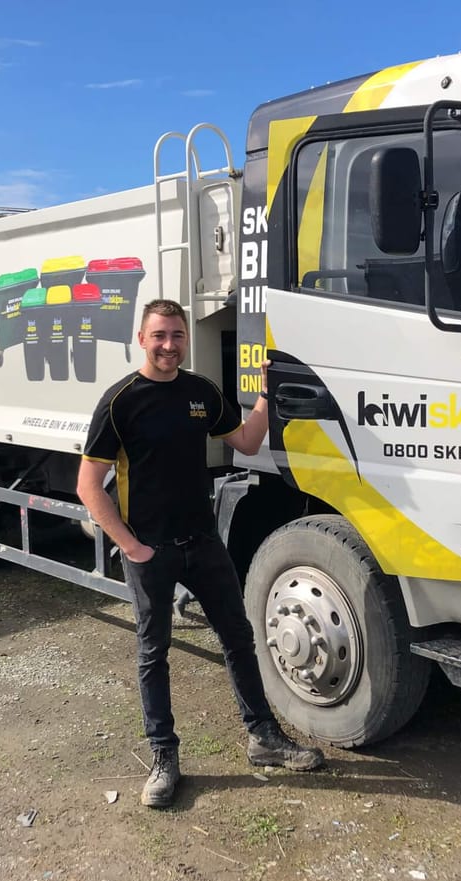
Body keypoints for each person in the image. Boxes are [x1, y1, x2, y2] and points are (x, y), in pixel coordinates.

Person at [77, 298, 325, 809]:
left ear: (186, 339)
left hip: (204, 544)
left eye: (177, 336)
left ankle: (264, 739)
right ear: (141, 339)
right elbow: (89, 486)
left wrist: (263, 395)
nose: (170, 345)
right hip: (152, 552)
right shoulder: (120, 401)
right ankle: (164, 757)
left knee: (239, 638)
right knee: (154, 655)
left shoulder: (200, 392)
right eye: (160, 336)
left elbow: (247, 443)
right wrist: (131, 547)